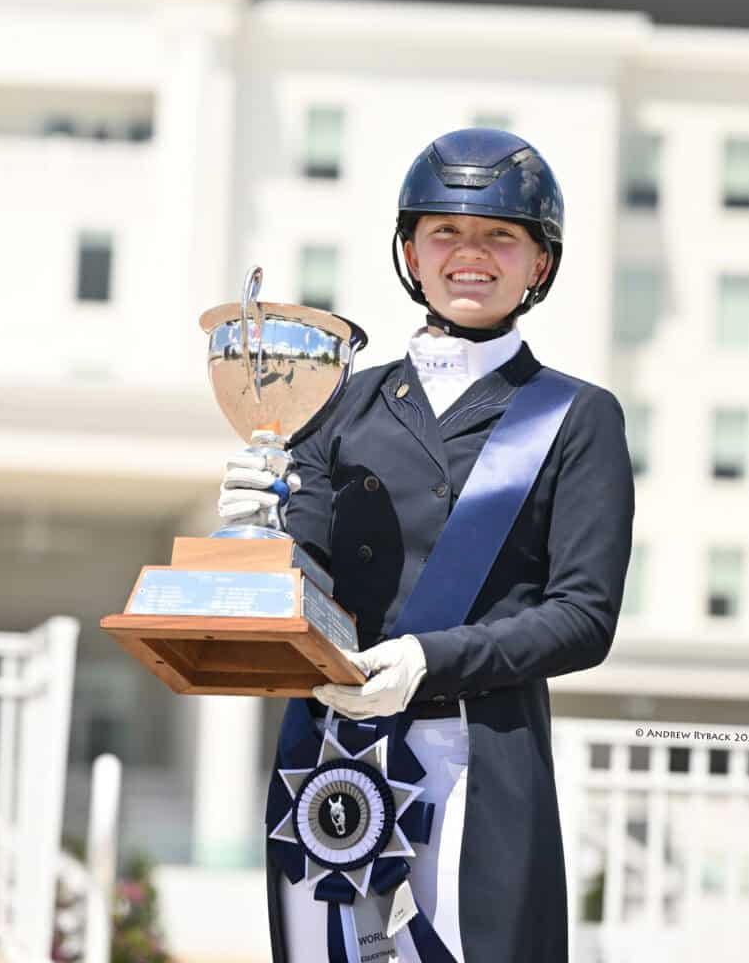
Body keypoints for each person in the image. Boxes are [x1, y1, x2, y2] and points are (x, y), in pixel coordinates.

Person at [218, 128, 635, 963]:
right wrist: (256, 540)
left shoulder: (578, 416)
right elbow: (307, 577)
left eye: (499, 236)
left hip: (483, 750)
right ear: (409, 250)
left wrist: (425, 659)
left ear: (538, 264)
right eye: (444, 230)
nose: (469, 253)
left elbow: (583, 617)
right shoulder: (331, 403)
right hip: (333, 743)